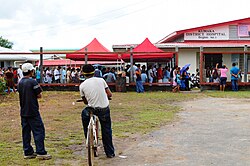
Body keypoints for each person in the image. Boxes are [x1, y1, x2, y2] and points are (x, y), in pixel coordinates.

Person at [17, 63, 51, 160]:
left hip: (23, 111)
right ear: (31, 71)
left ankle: (28, 152)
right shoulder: (33, 82)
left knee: (26, 132)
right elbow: (39, 95)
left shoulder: (20, 82)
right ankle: (41, 152)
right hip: (33, 110)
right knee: (39, 131)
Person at [79, 64, 115, 158]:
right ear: (94, 72)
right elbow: (109, 94)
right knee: (106, 129)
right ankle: (110, 152)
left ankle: (88, 137)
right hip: (104, 108)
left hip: (92, 109)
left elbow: (85, 101)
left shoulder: (82, 85)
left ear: (83, 73)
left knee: (84, 115)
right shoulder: (101, 80)